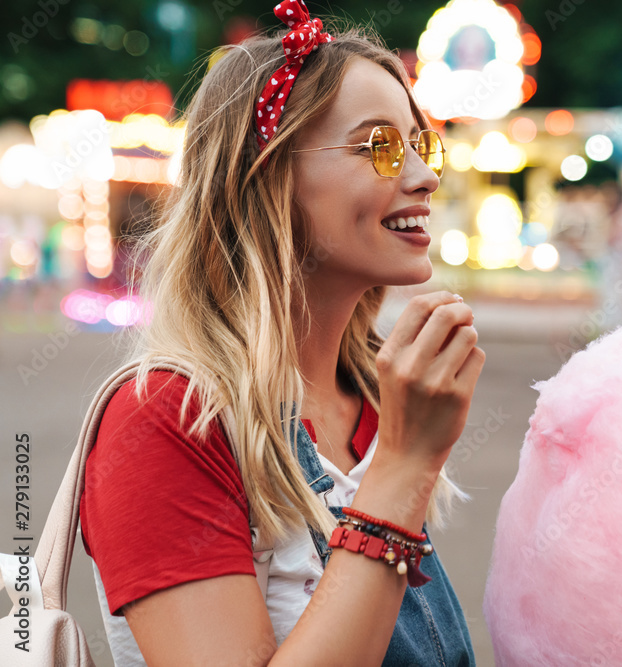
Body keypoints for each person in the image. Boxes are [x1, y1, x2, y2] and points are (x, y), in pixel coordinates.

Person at [77, 3, 485, 665]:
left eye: (420, 143)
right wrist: (404, 466)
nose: (423, 175)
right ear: (267, 174)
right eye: (379, 146)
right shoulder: (168, 421)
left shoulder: (374, 396)